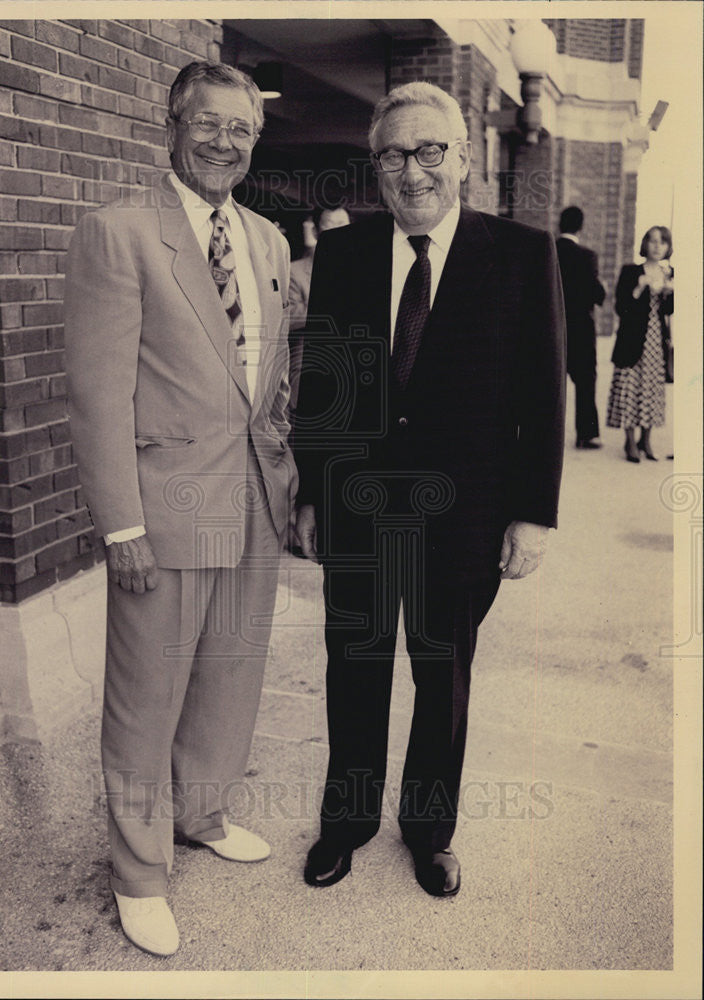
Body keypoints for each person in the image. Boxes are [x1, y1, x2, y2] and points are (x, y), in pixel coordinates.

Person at [292, 81, 565, 898]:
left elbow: (541, 395)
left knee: (441, 674)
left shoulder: (520, 254)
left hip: (466, 514)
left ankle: (429, 828)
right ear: (376, 166)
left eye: (429, 151)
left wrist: (532, 513)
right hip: (360, 508)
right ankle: (345, 822)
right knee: (355, 665)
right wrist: (312, 492)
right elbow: (325, 387)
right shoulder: (344, 254)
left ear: (465, 159)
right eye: (392, 155)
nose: (412, 172)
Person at [64, 61, 296, 956]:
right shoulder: (119, 233)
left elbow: (267, 384)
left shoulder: (268, 241)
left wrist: (289, 480)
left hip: (251, 498)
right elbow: (96, 395)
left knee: (229, 679)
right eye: (209, 123)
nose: (225, 142)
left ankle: (201, 814)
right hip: (161, 508)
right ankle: (138, 872)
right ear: (172, 121)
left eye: (242, 129)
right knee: (146, 696)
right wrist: (120, 525)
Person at [606, 226, 674, 462]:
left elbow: (670, 310)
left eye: (662, 242)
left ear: (667, 247)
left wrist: (669, 293)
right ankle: (629, 441)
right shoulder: (630, 271)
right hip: (632, 340)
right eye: (653, 241)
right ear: (645, 244)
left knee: (651, 389)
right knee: (629, 387)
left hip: (656, 341)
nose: (657, 246)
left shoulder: (669, 273)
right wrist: (639, 287)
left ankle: (645, 440)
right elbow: (619, 308)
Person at [287, 204, 351, 412]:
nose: (338, 232)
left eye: (342, 225)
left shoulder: (366, 268)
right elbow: (288, 316)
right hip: (311, 355)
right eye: (329, 226)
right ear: (316, 231)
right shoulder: (295, 271)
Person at [556, 206, 606, 449]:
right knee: (586, 381)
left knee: (548, 383)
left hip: (550, 328)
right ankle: (586, 434)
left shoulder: (547, 250)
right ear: (580, 227)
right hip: (581, 330)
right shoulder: (588, 256)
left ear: (559, 225)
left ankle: (544, 437)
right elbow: (597, 294)